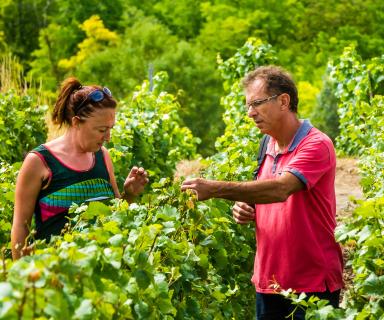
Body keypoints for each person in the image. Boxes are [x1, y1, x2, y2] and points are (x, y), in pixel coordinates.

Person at [181, 66, 343, 319]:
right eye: (248, 105)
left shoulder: (316, 144)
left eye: (257, 103)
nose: (250, 113)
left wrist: (214, 188)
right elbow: (268, 196)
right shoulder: (266, 144)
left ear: (283, 101)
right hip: (269, 281)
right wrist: (247, 208)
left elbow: (281, 189)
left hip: (311, 284)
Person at [11, 77, 149, 260]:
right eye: (101, 130)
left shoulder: (103, 157)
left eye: (110, 129)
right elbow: (21, 227)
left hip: (101, 276)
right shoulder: (39, 162)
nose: (108, 137)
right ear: (76, 122)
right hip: (55, 277)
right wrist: (22, 281)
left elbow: (117, 218)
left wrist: (129, 194)